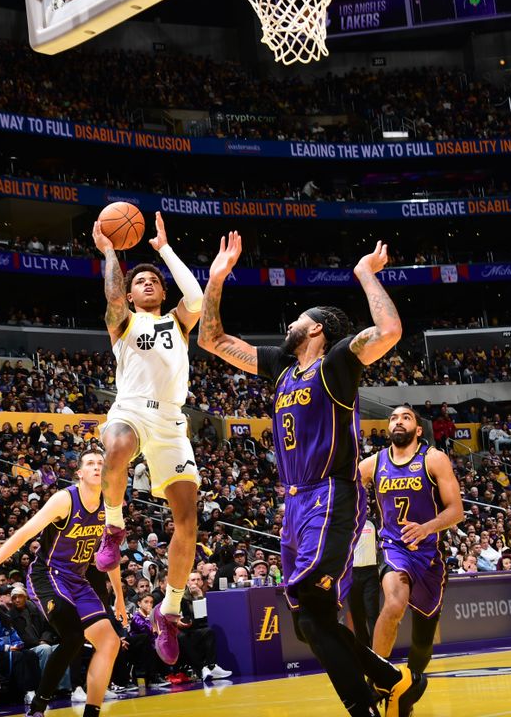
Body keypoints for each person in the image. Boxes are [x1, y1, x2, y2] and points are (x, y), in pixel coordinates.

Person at [199, 233, 425, 717]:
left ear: (318, 329)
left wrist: (365, 274)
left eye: (300, 318)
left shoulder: (338, 363)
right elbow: (211, 340)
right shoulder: (282, 369)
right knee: (308, 622)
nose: (290, 323)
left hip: (331, 495)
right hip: (295, 502)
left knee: (307, 601)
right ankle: (386, 683)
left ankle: (374, 695)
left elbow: (388, 330)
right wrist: (216, 278)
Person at [91, 210, 203, 666]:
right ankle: (114, 523)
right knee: (115, 445)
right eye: (141, 283)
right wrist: (111, 254)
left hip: (172, 424)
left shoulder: (178, 322)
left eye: (153, 281)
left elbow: (195, 295)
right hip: (132, 409)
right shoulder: (123, 323)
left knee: (188, 519)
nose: (149, 285)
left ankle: (169, 609)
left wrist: (162, 251)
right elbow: (113, 296)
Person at [0, 449, 125, 717]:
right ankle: (38, 707)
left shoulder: (110, 504)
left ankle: (92, 712)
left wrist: (120, 598)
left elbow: (109, 555)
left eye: (101, 463)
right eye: (90, 463)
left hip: (78, 578)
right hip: (48, 575)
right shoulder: (64, 500)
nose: (97, 467)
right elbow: (23, 533)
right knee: (74, 635)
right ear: (79, 472)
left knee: (110, 641)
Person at [359, 406, 463, 679]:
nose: (398, 421)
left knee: (423, 641)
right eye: (393, 418)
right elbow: (342, 493)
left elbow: (456, 511)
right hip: (393, 547)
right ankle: (377, 682)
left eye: (406, 417)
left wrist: (426, 528)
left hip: (429, 553)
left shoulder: (434, 459)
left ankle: (411, 684)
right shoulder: (372, 464)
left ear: (418, 430)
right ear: (388, 428)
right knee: (394, 604)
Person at [347, 516, 379, 647]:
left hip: (371, 573)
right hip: (351, 574)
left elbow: (381, 544)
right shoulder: (345, 524)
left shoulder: (372, 523)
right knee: (357, 616)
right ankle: (364, 650)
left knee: (373, 614)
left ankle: (378, 650)